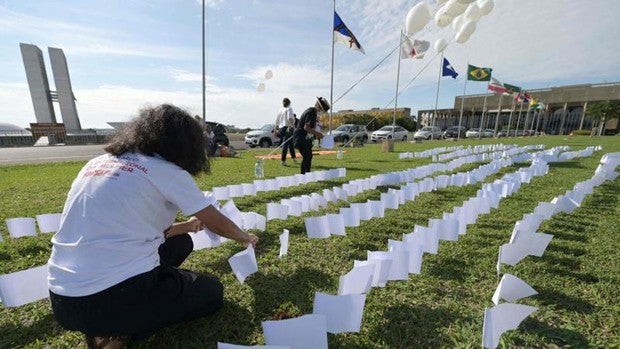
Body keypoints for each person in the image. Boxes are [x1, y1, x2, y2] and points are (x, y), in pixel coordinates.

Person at [47, 104, 258, 348]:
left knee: (181, 242)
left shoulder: (97, 163)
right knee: (211, 292)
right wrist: (245, 237)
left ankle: (113, 323)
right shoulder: (165, 170)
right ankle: (116, 333)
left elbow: (137, 228)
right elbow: (216, 221)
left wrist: (188, 226)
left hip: (62, 300)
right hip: (110, 298)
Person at [295, 96, 329, 174]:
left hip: (306, 138)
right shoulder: (311, 113)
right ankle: (303, 175)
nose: (321, 112)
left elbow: (310, 127)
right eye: (322, 110)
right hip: (301, 138)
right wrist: (318, 134)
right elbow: (306, 127)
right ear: (318, 106)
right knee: (306, 157)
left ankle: (307, 174)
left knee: (309, 156)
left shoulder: (313, 113)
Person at [274, 97, 296, 166]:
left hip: (281, 129)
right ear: (289, 103)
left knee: (290, 143)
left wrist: (275, 130)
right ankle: (283, 160)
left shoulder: (280, 110)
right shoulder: (289, 108)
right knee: (286, 144)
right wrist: (290, 127)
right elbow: (290, 118)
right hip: (287, 128)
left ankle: (293, 157)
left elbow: (277, 121)